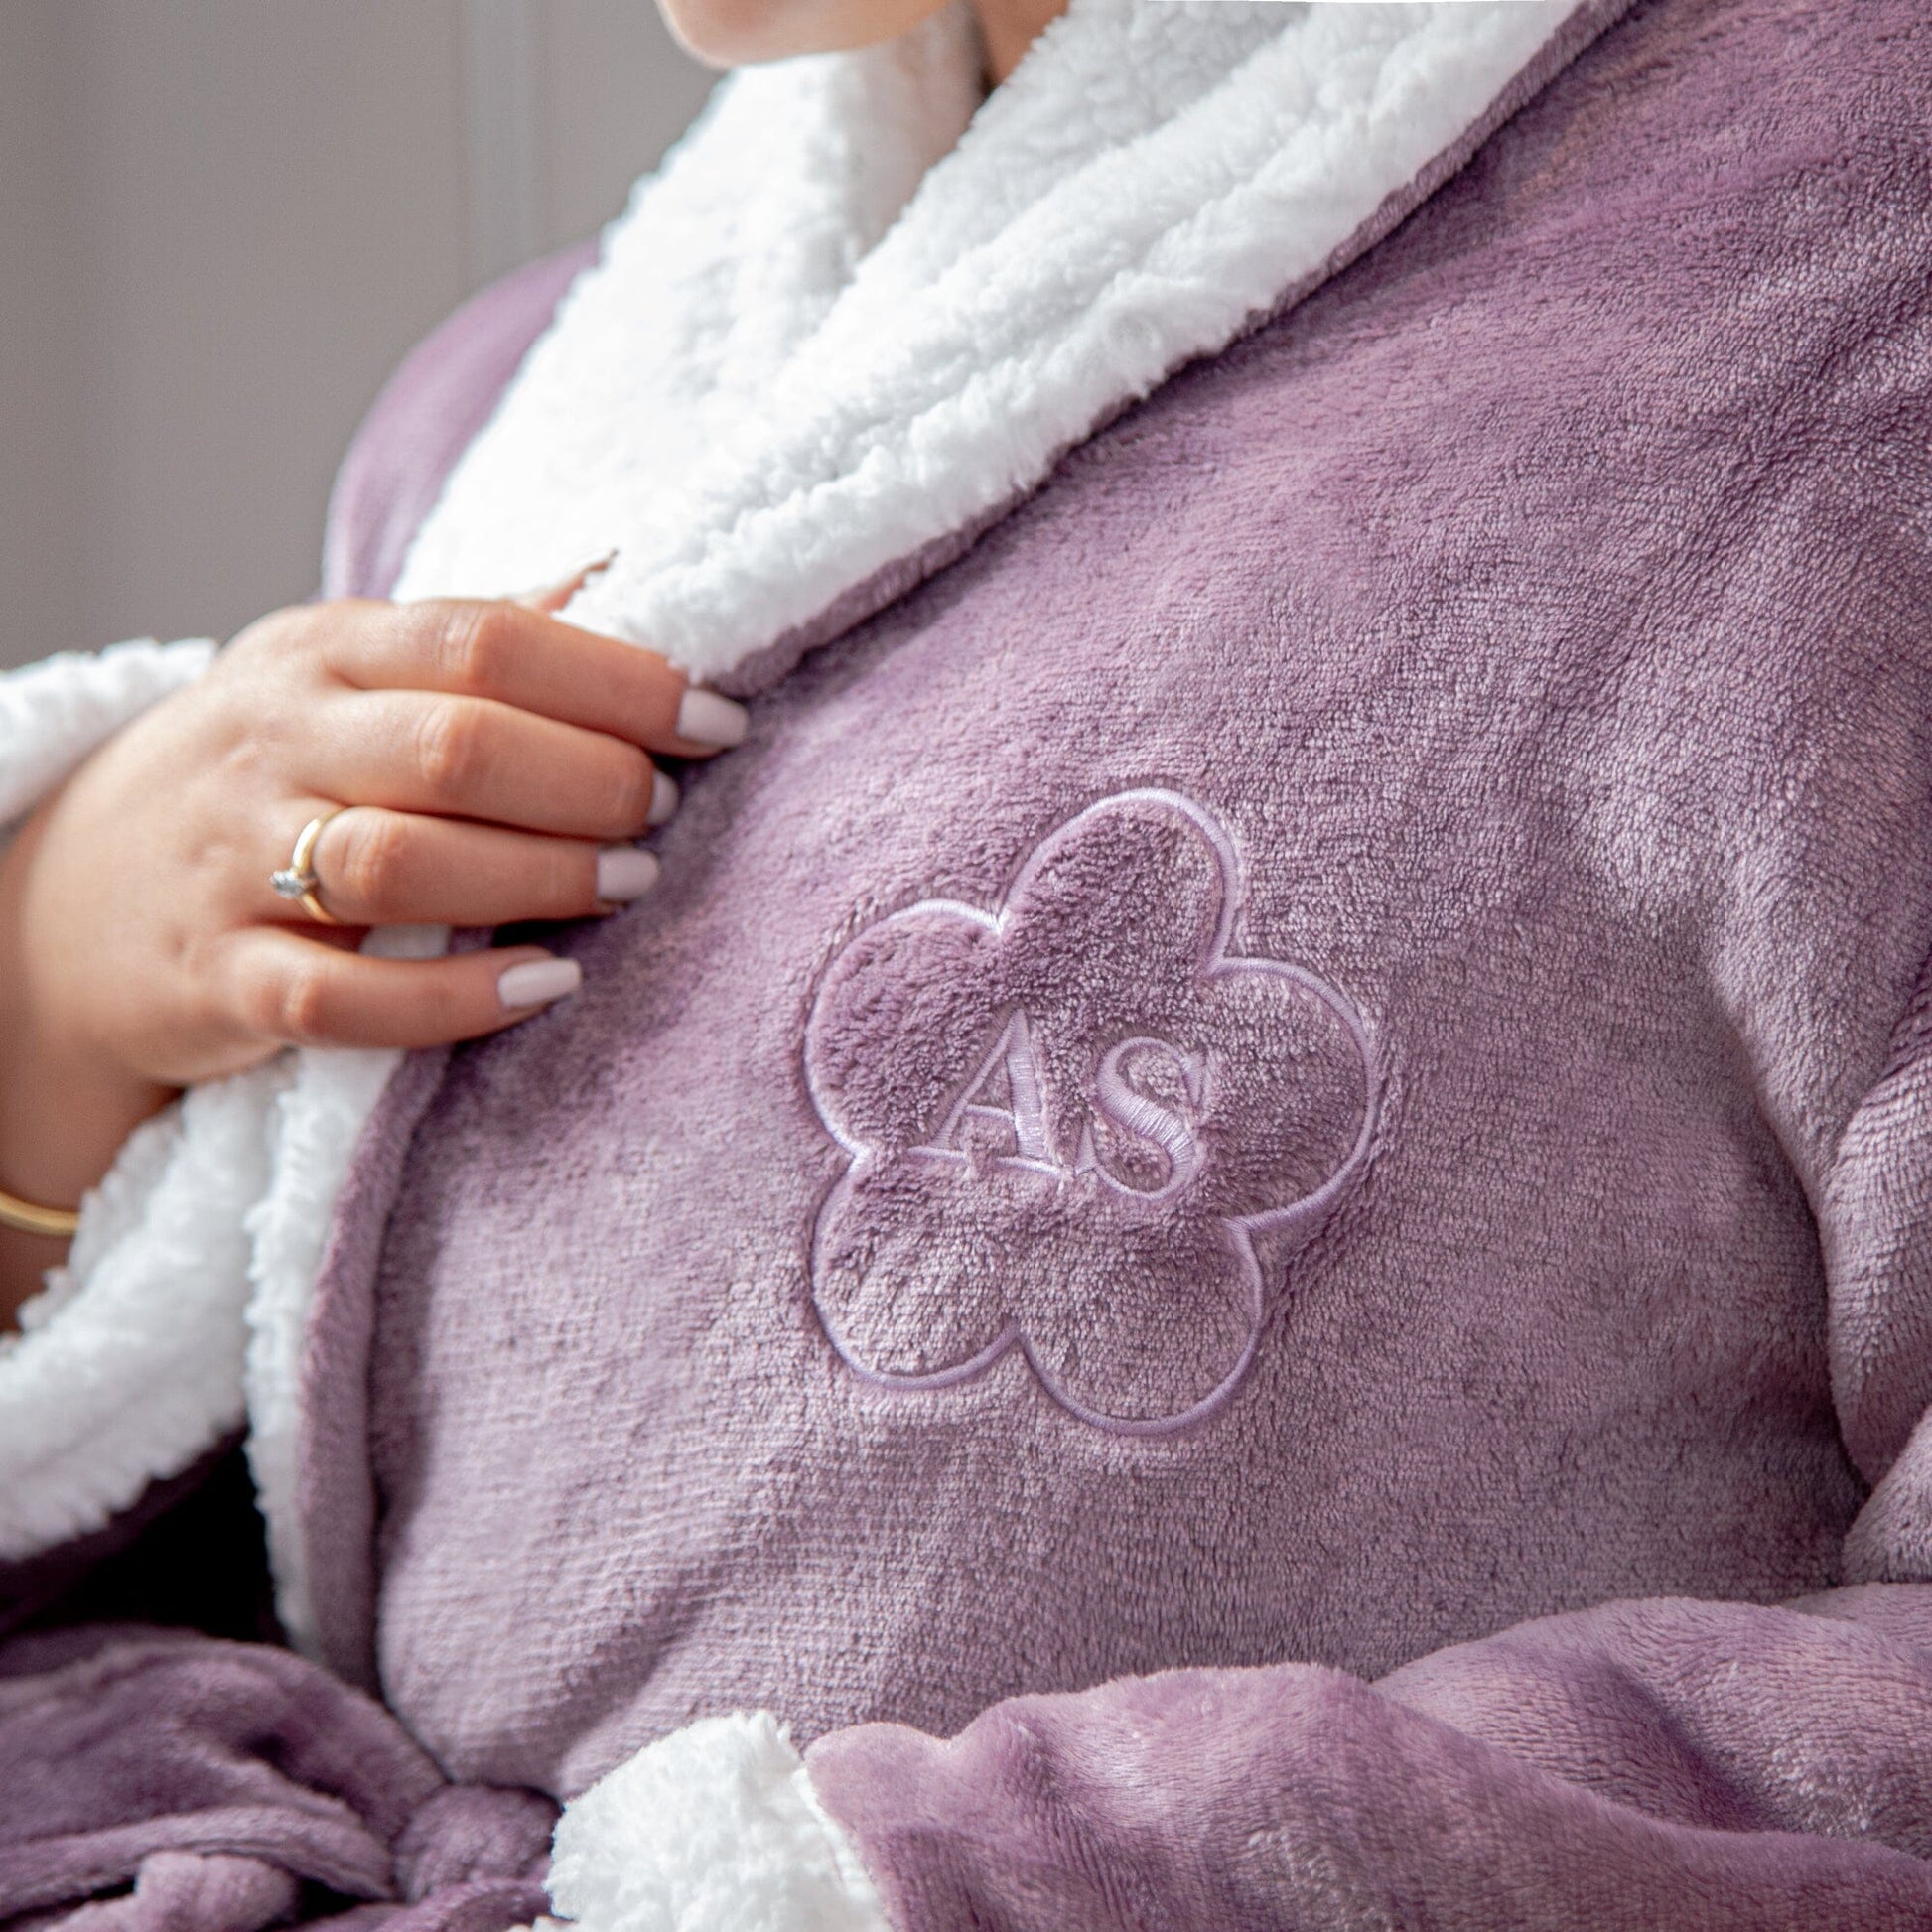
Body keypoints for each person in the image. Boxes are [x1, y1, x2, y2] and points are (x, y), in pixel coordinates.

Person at [4, 0, 1932, 1925]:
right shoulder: (520, 409)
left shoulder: (1838, 257)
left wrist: (864, 1893)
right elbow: (301, 1508)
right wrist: (47, 1001)